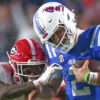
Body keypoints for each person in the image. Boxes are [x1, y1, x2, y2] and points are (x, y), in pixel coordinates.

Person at [33, 2, 100, 100]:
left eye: (59, 31)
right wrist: (37, 83)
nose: (58, 41)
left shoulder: (97, 36)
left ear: (67, 19)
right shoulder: (52, 50)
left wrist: (90, 77)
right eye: (52, 38)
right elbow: (52, 89)